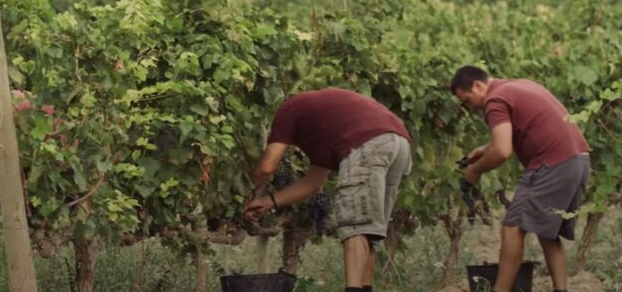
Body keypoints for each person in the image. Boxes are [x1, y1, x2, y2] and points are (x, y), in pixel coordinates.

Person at [242, 88, 412, 292]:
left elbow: (267, 167)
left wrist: (251, 187)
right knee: (367, 232)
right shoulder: (324, 133)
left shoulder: (287, 111)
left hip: (369, 143)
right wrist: (269, 201)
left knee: (355, 227)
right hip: (399, 142)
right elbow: (313, 183)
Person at [450, 66, 590, 292]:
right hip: (578, 161)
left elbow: (503, 151)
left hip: (552, 165)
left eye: (467, 100)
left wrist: (475, 171)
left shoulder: (494, 100)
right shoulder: (520, 84)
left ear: (478, 85)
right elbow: (512, 135)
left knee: (513, 227)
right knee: (548, 231)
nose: (470, 106)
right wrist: (484, 149)